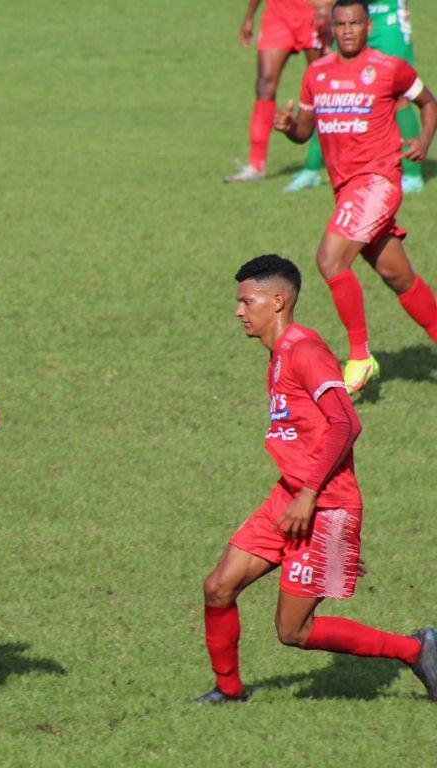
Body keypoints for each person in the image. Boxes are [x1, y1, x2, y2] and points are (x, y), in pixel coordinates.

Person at [198, 254, 437, 704]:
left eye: (246, 302)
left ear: (277, 300)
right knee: (218, 587)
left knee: (293, 631)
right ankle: (228, 692)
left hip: (324, 507)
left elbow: (346, 423)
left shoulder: (305, 351)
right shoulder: (278, 352)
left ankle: (415, 648)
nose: (239, 311)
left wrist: (311, 500)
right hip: (289, 499)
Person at [274, 0, 437, 393]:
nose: (347, 30)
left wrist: (424, 139)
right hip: (347, 189)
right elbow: (305, 132)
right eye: (341, 24)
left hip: (378, 182)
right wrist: (289, 127)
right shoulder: (316, 73)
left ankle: (360, 358)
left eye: (355, 23)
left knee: (330, 259)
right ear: (332, 28)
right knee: (398, 276)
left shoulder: (388, 67)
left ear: (368, 26)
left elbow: (428, 102)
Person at [286, 1, 427, 193]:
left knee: (400, 96)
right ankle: (312, 168)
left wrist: (325, 4)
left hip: (387, 17)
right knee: (330, 92)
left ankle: (412, 174)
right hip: (349, 16)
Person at [225, 0, 332, 183]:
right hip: (278, 13)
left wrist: (328, 7)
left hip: (311, 11)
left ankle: (329, 158)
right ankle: (255, 165)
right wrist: (250, 16)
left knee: (322, 86)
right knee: (265, 83)